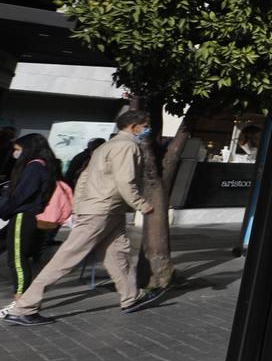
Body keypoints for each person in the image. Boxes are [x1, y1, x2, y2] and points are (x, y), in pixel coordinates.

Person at [5, 111, 160, 325]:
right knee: (67, 258)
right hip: (103, 210)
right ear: (134, 126)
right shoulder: (126, 146)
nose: (146, 129)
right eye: (145, 125)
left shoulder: (105, 147)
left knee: (118, 254)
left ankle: (130, 297)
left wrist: (79, 207)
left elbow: (84, 178)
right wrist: (142, 205)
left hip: (105, 209)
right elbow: (126, 181)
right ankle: (24, 307)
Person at [0, 134, 61, 312]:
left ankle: (22, 303)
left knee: (17, 260)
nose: (15, 153)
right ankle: (23, 300)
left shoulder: (34, 167)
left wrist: (4, 210)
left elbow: (21, 195)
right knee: (20, 258)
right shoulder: (45, 165)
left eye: (18, 149)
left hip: (23, 216)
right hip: (30, 216)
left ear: (28, 149)